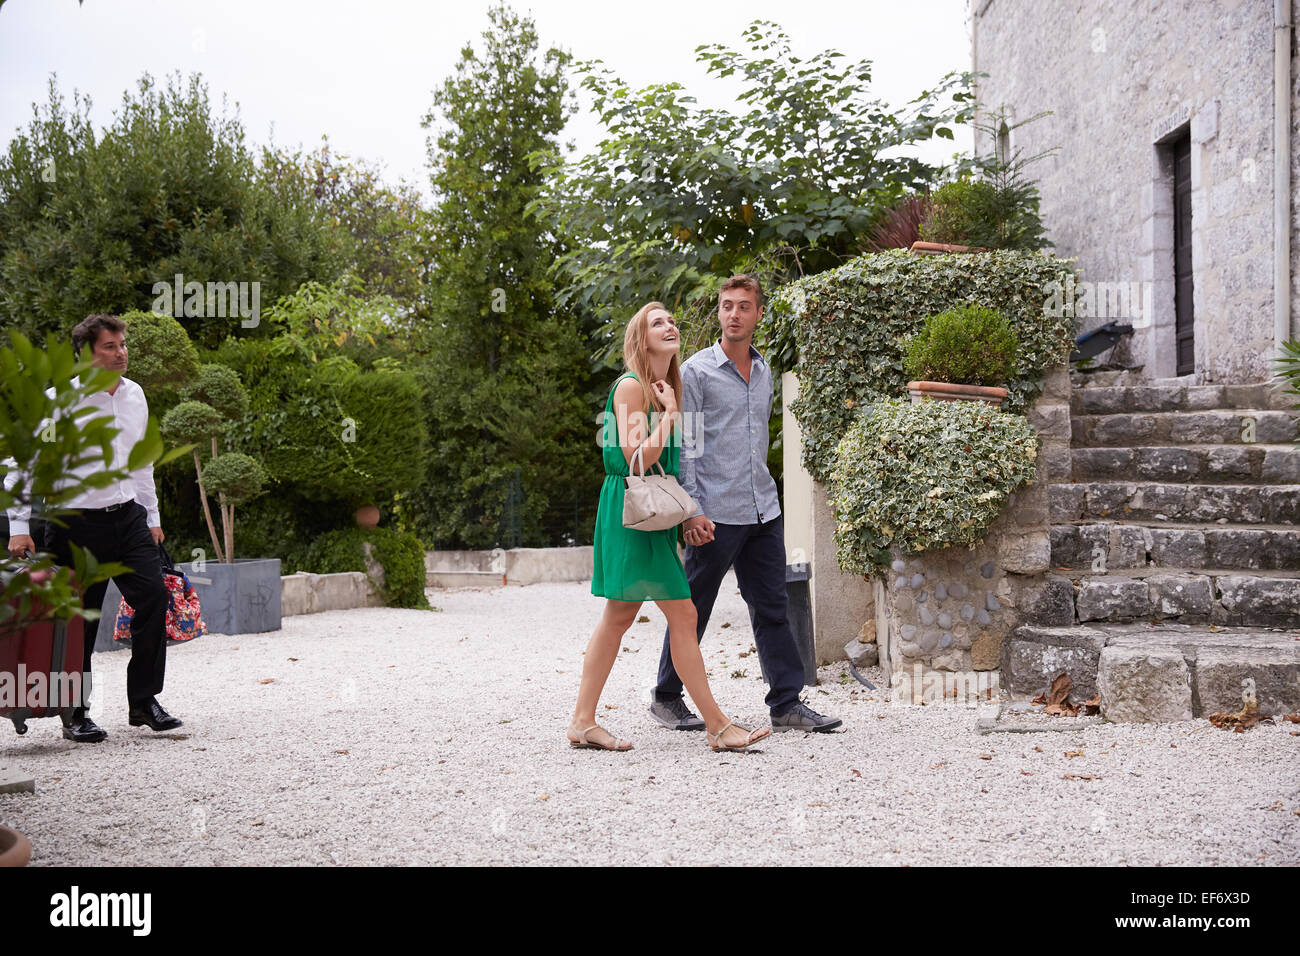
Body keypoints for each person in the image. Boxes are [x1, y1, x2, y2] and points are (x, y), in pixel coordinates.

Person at [570, 302, 772, 753]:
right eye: (656, 322)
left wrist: (686, 519)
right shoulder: (631, 388)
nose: (669, 326)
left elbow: (666, 470)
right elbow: (635, 460)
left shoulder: (663, 388)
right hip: (629, 515)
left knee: (621, 618)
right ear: (641, 339)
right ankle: (717, 726)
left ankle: (583, 721)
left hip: (647, 516)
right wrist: (672, 415)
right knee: (679, 614)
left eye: (671, 320)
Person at [649, 275, 843, 733]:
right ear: (719, 313)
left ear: (758, 314)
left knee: (773, 606)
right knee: (691, 607)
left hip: (763, 511)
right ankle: (666, 696)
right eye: (726, 306)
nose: (733, 314)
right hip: (714, 513)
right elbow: (688, 444)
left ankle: (786, 703)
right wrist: (691, 509)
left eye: (743, 306)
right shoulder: (695, 372)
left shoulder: (765, 371)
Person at [5, 313, 181, 742]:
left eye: (123, 345)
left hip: (127, 519)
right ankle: (76, 713)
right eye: (110, 347)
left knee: (154, 598)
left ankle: (143, 703)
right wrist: (18, 526)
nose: (121, 353)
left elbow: (141, 461)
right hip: (74, 526)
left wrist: (152, 517)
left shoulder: (135, 395)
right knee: (79, 622)